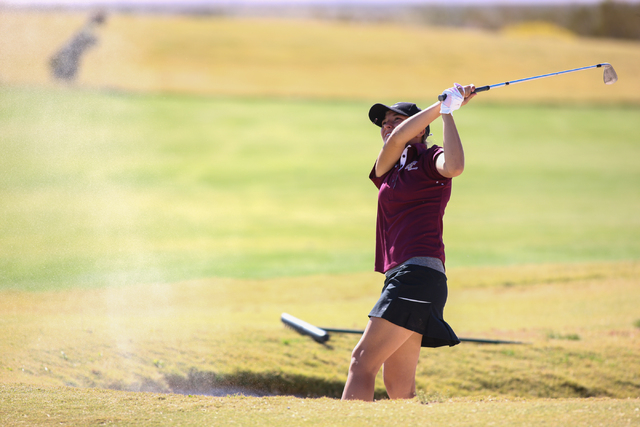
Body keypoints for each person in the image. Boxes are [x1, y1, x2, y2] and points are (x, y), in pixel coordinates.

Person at [341, 83, 476, 401]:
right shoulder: (387, 169)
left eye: (395, 120)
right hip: (404, 277)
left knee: (362, 363)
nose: (387, 127)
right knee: (399, 386)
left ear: (421, 130)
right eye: (384, 123)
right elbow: (399, 138)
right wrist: (443, 104)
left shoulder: (431, 160)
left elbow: (455, 167)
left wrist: (447, 112)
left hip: (418, 275)